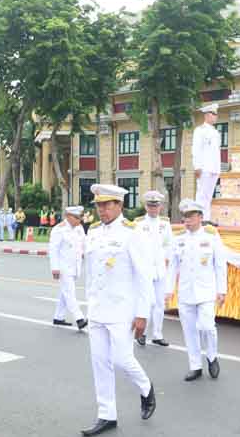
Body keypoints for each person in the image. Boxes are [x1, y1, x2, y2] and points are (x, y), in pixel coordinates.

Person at [82, 184, 156, 436]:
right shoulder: (92, 232)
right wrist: (88, 302)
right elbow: (90, 272)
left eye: (107, 205)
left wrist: (142, 313)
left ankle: (146, 388)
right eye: (98, 205)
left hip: (122, 308)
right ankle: (106, 414)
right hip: (97, 308)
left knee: (122, 359)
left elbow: (144, 276)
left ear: (119, 205)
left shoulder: (131, 233)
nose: (101, 210)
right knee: (99, 363)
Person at [168, 198, 227, 382]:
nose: (187, 220)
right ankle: (195, 366)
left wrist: (222, 290)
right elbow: (172, 267)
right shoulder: (179, 239)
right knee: (189, 331)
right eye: (185, 217)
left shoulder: (211, 236)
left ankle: (211, 355)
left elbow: (220, 264)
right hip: (186, 292)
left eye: (191, 216)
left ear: (200, 217)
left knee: (207, 326)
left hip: (206, 291)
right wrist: (168, 290)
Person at [134, 190, 173, 347]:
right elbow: (134, 246)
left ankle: (157, 334)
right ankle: (141, 333)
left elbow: (170, 244)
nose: (153, 209)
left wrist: (167, 257)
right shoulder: (138, 224)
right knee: (146, 302)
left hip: (160, 269)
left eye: (156, 206)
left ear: (160, 207)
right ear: (146, 206)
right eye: (150, 206)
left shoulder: (165, 224)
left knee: (159, 303)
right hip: (145, 269)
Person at [49, 205, 88, 330]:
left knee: (64, 292)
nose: (79, 220)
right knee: (70, 292)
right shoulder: (58, 229)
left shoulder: (79, 228)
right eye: (76, 217)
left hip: (75, 265)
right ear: (68, 216)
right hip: (63, 267)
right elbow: (53, 250)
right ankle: (79, 318)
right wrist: (54, 267)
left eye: (80, 218)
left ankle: (58, 317)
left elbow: (84, 244)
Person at [192, 102, 221, 223]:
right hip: (203, 167)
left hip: (214, 167)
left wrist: (218, 168)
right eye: (213, 114)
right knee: (201, 194)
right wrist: (197, 166)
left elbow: (216, 151)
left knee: (208, 196)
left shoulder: (215, 132)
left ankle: (207, 218)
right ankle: (199, 219)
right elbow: (196, 149)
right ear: (206, 115)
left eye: (216, 114)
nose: (215, 116)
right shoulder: (200, 130)